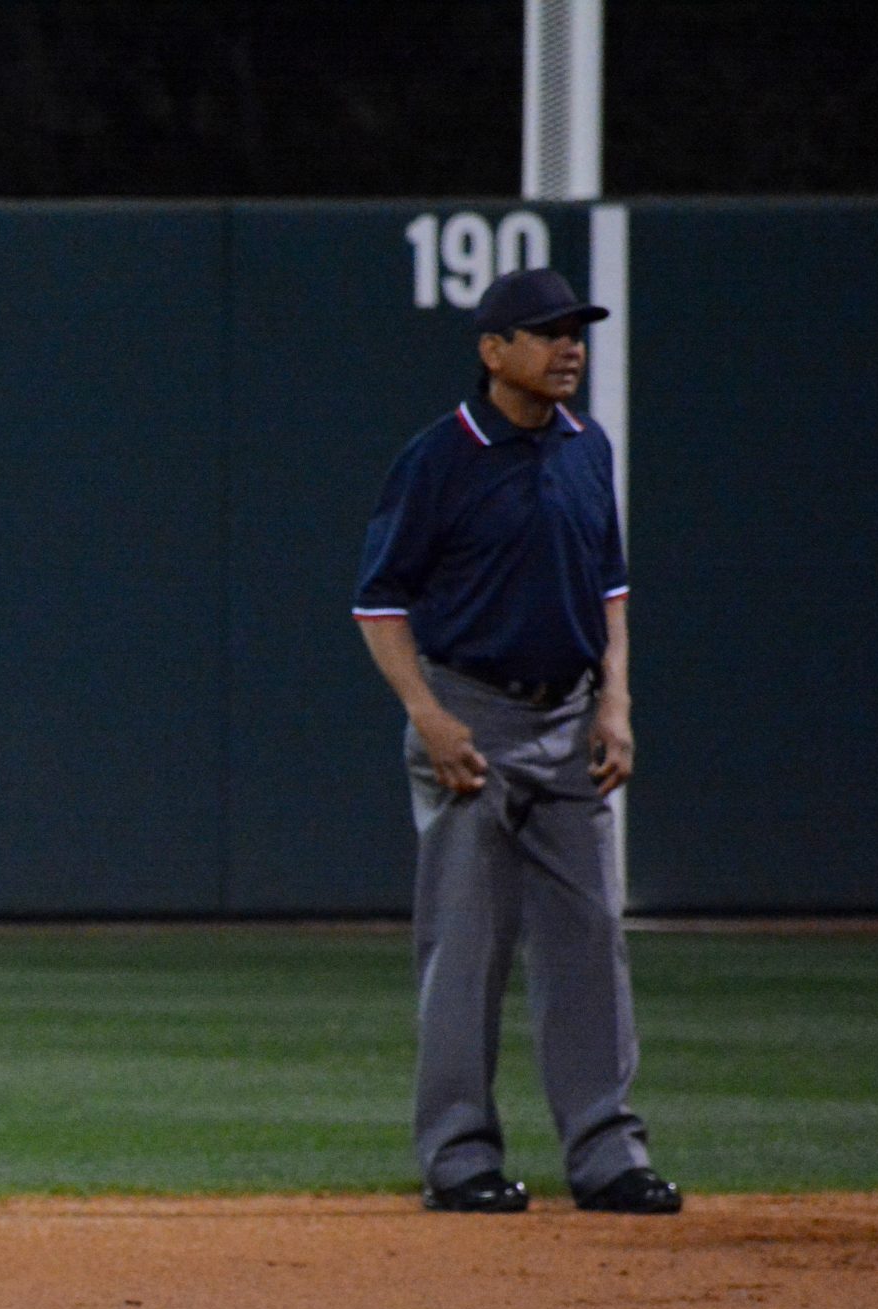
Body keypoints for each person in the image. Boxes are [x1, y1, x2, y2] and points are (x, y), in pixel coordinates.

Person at [352, 266, 681, 1216]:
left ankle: (608, 1154)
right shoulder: (440, 458)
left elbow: (610, 585)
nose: (569, 346)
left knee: (590, 942)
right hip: (473, 719)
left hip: (571, 718)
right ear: (494, 352)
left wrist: (615, 699)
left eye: (576, 329)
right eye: (547, 332)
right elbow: (378, 604)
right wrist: (429, 714)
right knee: (467, 946)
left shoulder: (588, 448)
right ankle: (459, 1158)